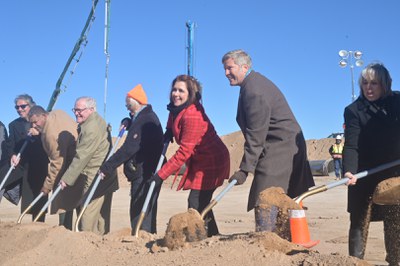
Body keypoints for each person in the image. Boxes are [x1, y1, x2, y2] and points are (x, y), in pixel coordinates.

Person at [221, 49, 315, 229]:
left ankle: (269, 239)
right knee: (274, 196)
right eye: (224, 69)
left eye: (229, 68)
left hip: (283, 146)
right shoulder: (250, 85)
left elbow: (256, 135)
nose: (226, 73)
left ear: (244, 67)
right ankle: (278, 236)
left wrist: (244, 169)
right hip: (276, 145)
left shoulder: (255, 91)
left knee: (266, 195)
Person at [149, 75, 230, 237]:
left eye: (181, 91)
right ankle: (211, 234)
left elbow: (184, 152)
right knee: (201, 202)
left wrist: (161, 175)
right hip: (200, 159)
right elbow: (172, 115)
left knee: (196, 201)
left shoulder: (192, 115)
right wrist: (169, 130)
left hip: (212, 161)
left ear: (190, 94)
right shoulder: (177, 107)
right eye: (174, 89)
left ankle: (200, 236)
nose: (176, 94)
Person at [343, 62, 400, 265]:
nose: (369, 88)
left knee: (395, 220)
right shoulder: (354, 110)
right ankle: (355, 261)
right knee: (358, 220)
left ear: (385, 84)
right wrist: (349, 170)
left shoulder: (398, 102)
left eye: (374, 83)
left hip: (394, 171)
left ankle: (395, 260)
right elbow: (351, 145)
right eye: (365, 83)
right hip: (363, 171)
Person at [99, 84, 163, 234]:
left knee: (140, 209)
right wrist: (127, 121)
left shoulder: (144, 119)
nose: (127, 107)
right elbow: (136, 128)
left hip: (144, 173)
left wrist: (107, 167)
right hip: (148, 171)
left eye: (128, 105)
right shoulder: (143, 117)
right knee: (146, 208)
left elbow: (128, 149)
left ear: (136, 102)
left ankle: (140, 239)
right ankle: (146, 237)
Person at [59, 96, 119, 235]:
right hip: (105, 173)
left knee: (87, 210)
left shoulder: (91, 128)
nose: (76, 113)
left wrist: (66, 178)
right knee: (100, 213)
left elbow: (82, 156)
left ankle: (86, 242)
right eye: (75, 109)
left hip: (95, 174)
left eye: (80, 110)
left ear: (91, 109)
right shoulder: (96, 120)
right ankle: (100, 241)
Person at [27, 105, 84, 230]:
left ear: (44, 116)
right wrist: (40, 131)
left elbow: (56, 164)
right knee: (78, 199)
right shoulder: (57, 112)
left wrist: (46, 187)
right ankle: (79, 230)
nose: (33, 126)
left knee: (63, 200)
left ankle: (65, 231)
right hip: (80, 162)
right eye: (31, 124)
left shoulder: (51, 135)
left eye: (35, 122)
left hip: (70, 165)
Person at [0, 94, 48, 221]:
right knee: (2, 178)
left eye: (23, 106)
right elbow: (11, 144)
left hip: (38, 166)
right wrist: (13, 155)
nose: (19, 109)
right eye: (17, 107)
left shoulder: (43, 121)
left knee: (37, 196)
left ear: (31, 105)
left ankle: (38, 224)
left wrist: (39, 133)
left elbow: (49, 142)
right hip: (20, 164)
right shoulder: (13, 125)